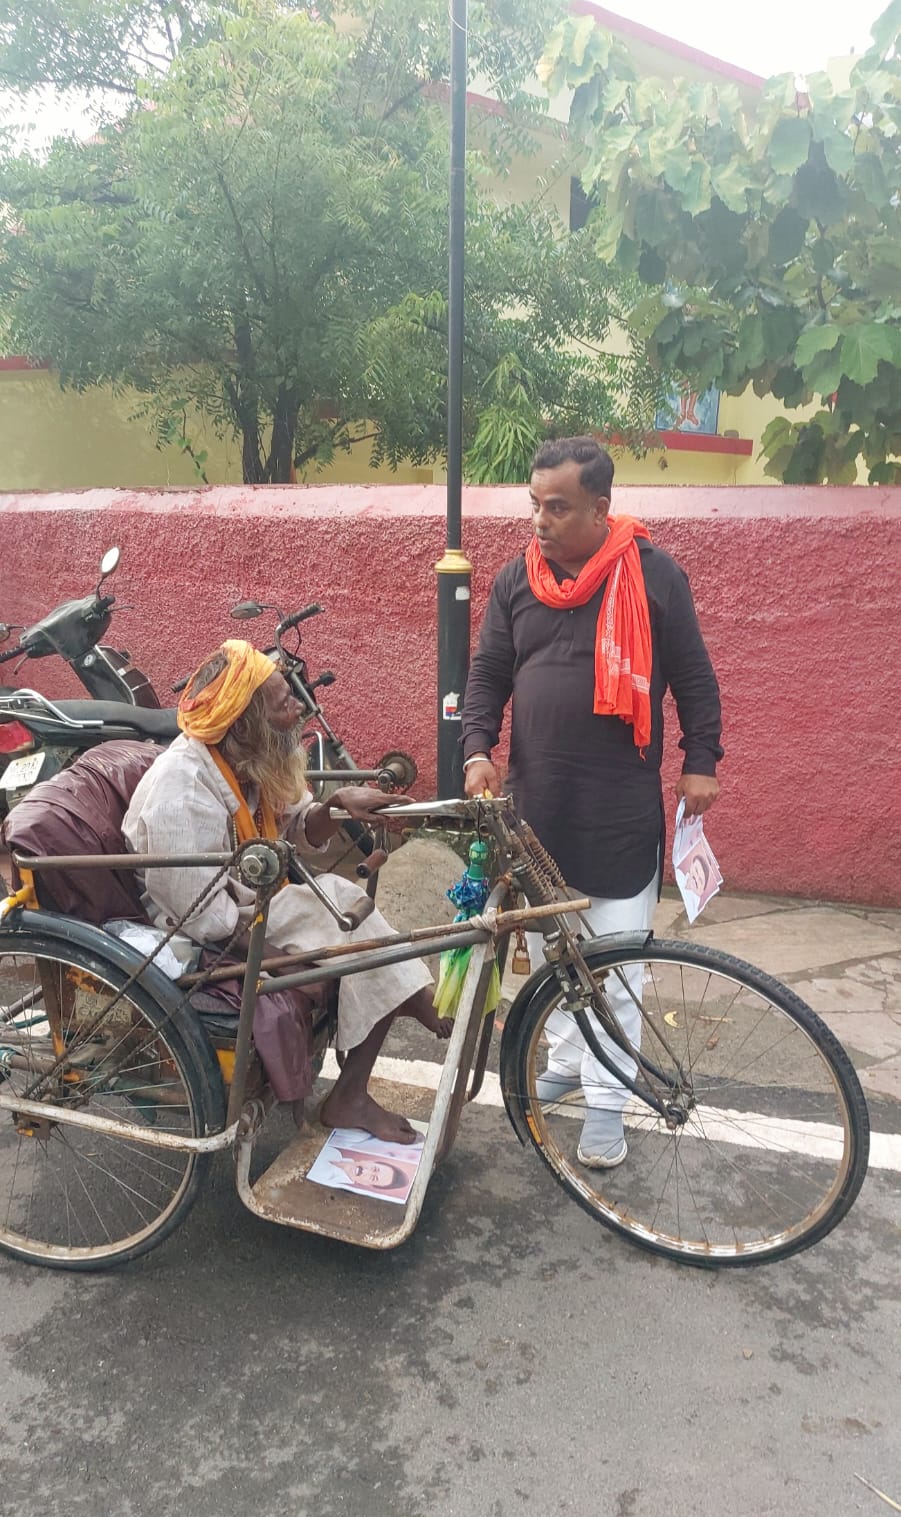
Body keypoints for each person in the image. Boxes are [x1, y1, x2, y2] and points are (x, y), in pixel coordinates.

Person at [462, 436, 722, 1169]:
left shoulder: (653, 575)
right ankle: (569, 1060)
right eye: (534, 505)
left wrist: (701, 761)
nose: (539, 520)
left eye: (557, 507)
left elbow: (696, 680)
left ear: (599, 507)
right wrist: (478, 750)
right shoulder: (518, 579)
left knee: (615, 965)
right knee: (553, 958)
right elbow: (486, 675)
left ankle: (607, 1102)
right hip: (537, 803)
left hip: (617, 808)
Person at [123, 640, 451, 1144]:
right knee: (355, 949)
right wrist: (286, 962)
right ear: (245, 720)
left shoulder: (249, 757)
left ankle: (404, 1004)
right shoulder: (182, 791)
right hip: (200, 928)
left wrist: (336, 802)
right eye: (282, 702)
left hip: (255, 899)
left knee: (346, 905)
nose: (298, 707)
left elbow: (298, 828)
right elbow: (200, 918)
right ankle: (408, 1006)